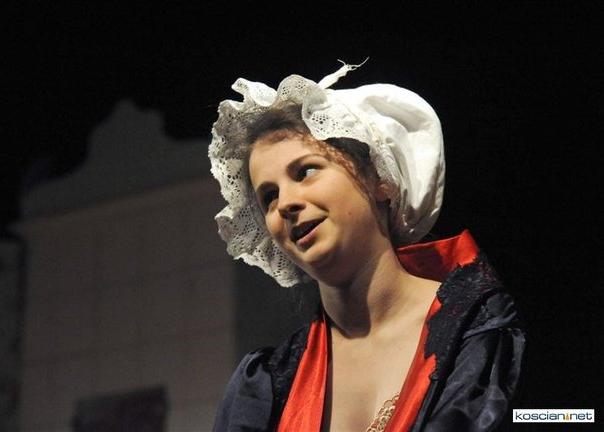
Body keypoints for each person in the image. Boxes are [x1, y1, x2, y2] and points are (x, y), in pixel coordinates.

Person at [208, 61, 526, 432]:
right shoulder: (268, 387)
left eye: (305, 171)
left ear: (380, 179)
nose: (286, 204)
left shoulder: (480, 330)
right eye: (269, 196)